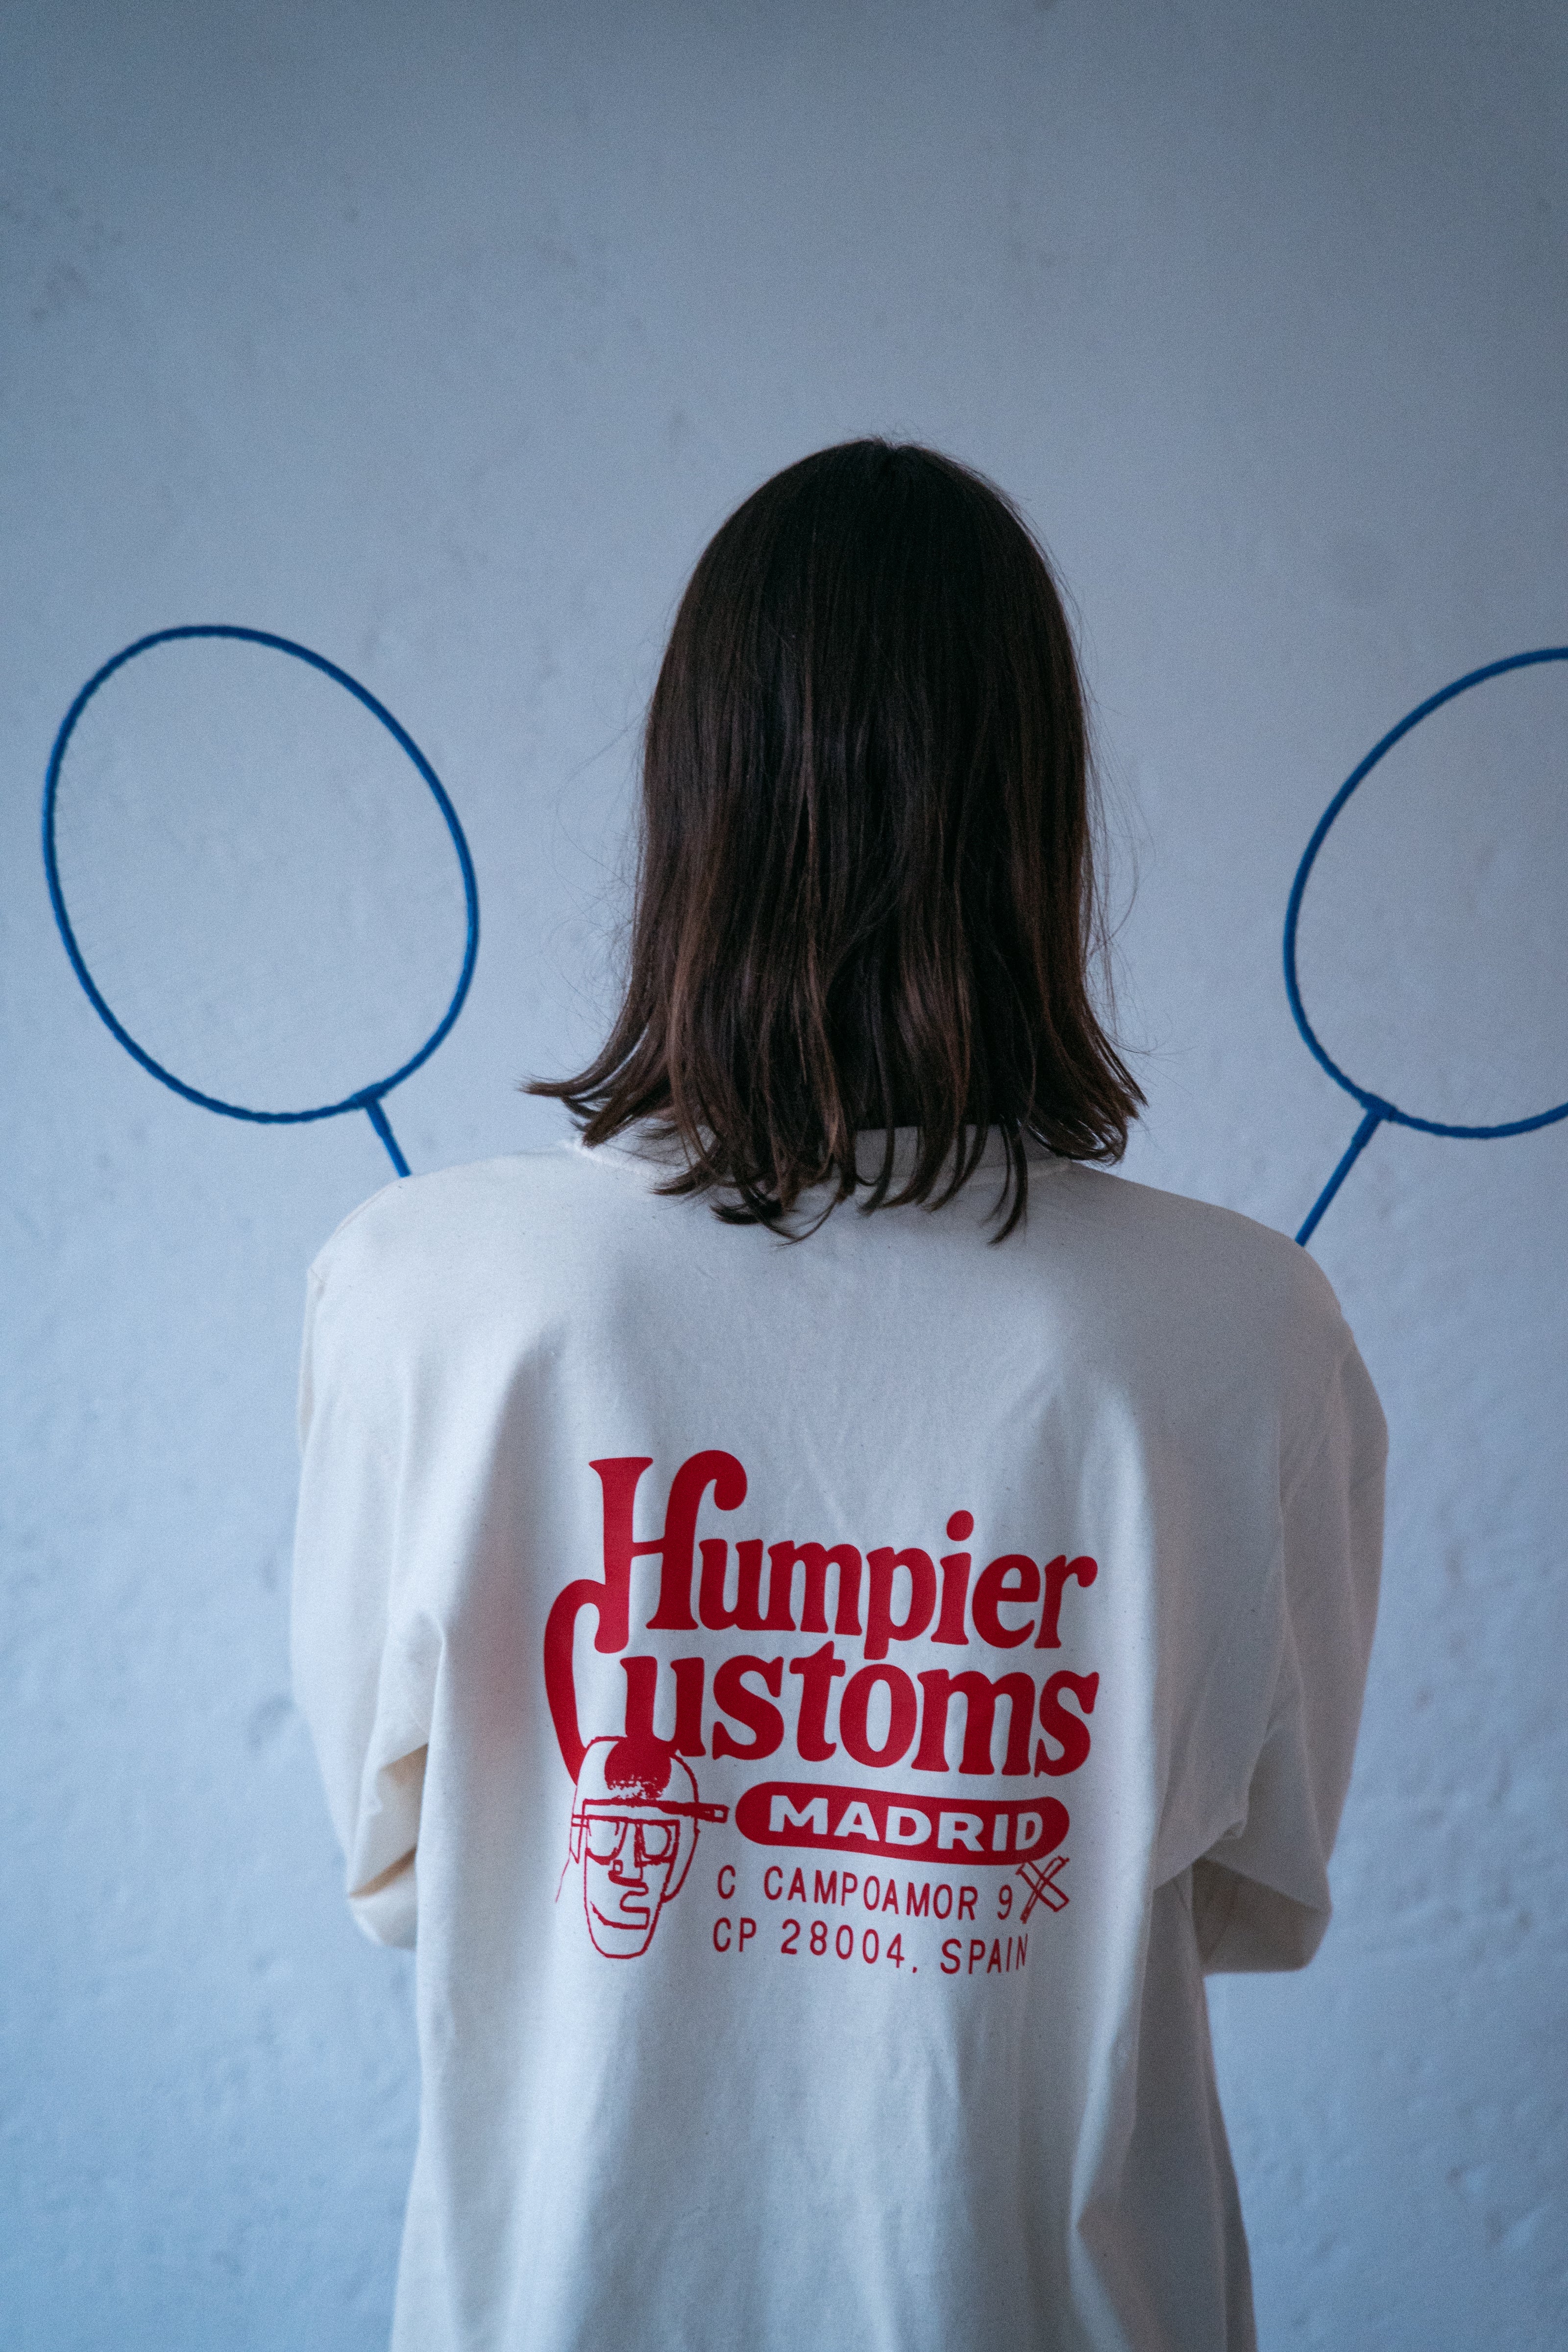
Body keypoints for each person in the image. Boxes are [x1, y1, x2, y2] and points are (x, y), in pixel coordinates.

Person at [293, 441, 1385, 2352]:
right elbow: (1248, 1890)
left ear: (689, 798)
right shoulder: (1248, 1326)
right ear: (1039, 821)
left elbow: (405, 1879)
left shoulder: (421, 1285)